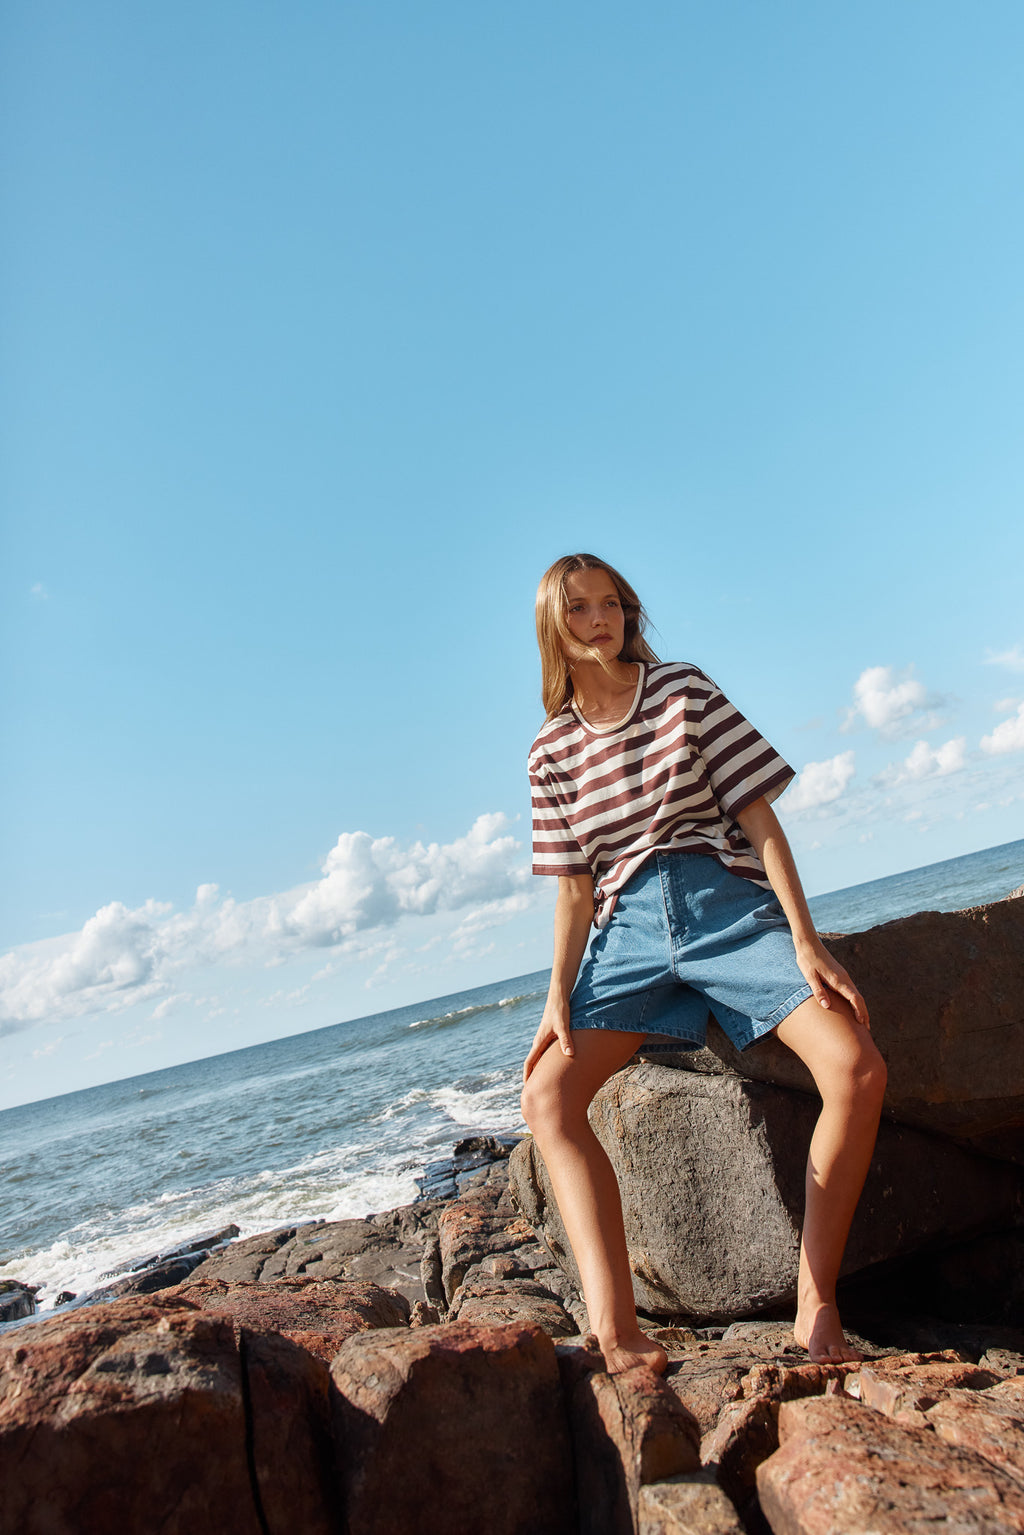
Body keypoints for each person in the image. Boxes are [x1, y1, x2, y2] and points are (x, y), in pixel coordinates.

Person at [520, 552, 887, 1376]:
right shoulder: (547, 752)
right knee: (546, 1097)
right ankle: (617, 1331)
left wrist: (804, 937)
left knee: (856, 1067)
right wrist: (556, 996)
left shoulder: (684, 691)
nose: (600, 618)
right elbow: (574, 893)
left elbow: (758, 820)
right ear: (553, 623)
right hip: (627, 935)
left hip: (722, 902)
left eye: (611, 603)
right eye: (578, 608)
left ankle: (815, 1298)